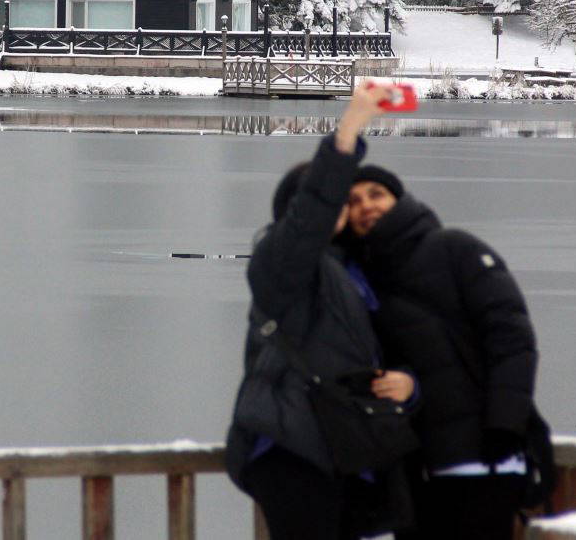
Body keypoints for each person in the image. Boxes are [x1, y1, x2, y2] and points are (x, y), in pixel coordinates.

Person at [226, 85, 419, 540]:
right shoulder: (278, 264)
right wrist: (350, 128)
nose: (340, 208)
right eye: (330, 200)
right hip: (291, 449)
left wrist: (409, 385)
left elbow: (388, 352)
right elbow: (306, 222)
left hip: (348, 449)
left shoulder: (352, 272)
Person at [340, 163, 539, 540]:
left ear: (399, 200)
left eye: (376, 194)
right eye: (353, 200)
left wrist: (505, 425)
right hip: (414, 469)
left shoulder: (455, 249)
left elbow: (512, 338)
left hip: (484, 459)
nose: (366, 205)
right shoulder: (358, 279)